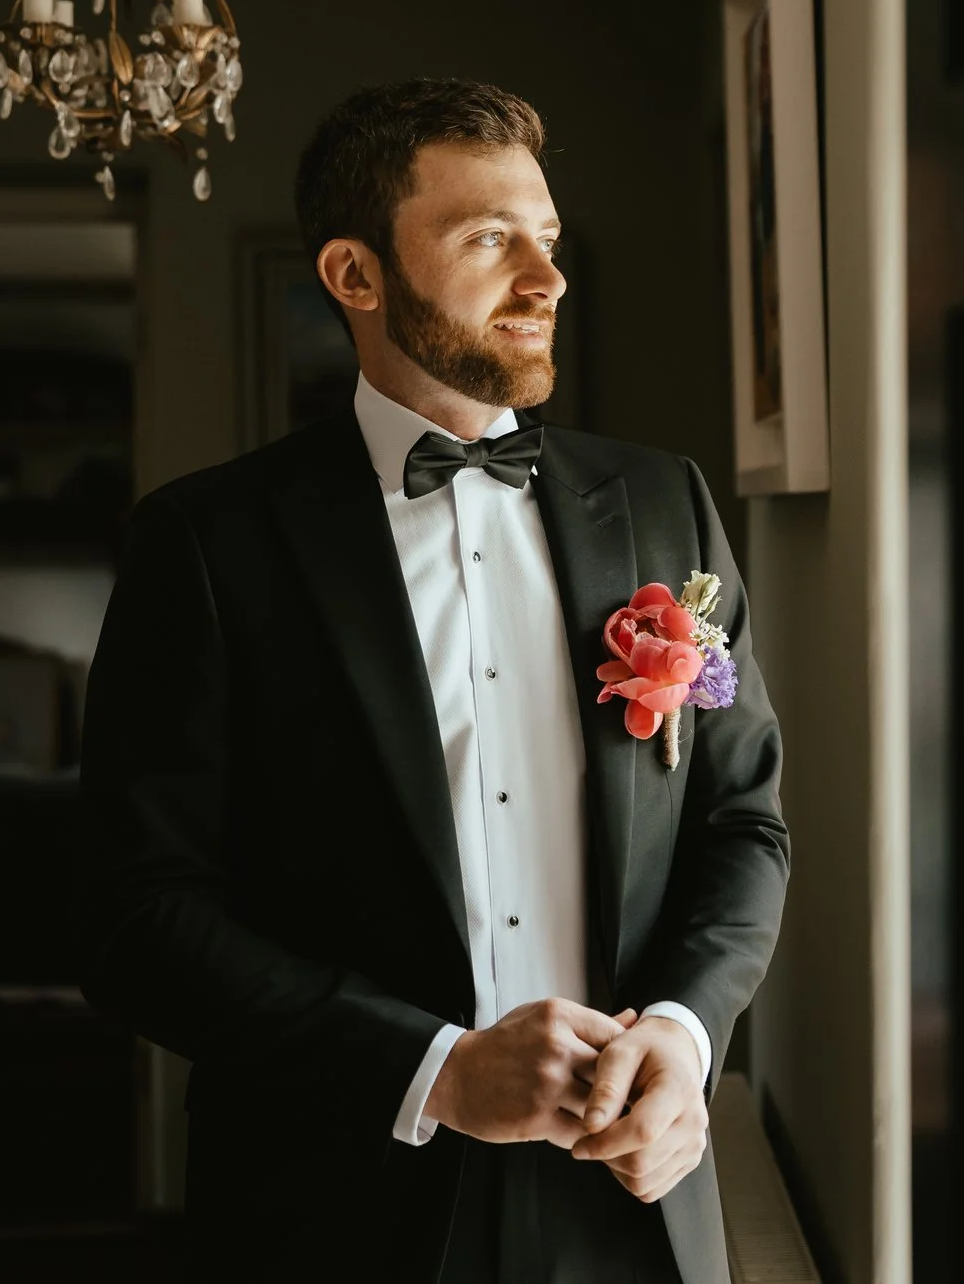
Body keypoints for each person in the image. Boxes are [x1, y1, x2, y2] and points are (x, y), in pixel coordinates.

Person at [77, 78, 789, 1282]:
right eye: (488, 238)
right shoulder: (209, 542)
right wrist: (437, 1070)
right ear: (356, 277)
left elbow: (742, 820)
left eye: (547, 238)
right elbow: (137, 914)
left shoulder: (662, 502)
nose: (546, 278)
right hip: (332, 1200)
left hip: (636, 1197)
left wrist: (683, 1028)